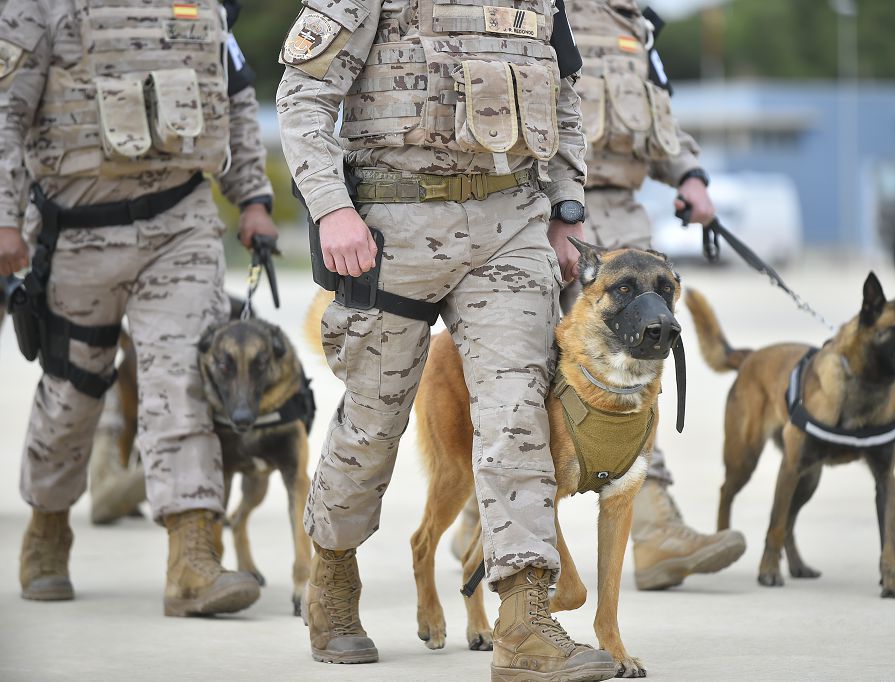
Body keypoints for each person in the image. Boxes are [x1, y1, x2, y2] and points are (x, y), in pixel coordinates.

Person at [277, 0, 617, 679]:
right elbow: (304, 95)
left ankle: (523, 618)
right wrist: (331, 207)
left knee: (517, 411)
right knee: (375, 419)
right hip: (391, 224)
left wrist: (568, 207)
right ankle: (334, 577)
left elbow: (567, 98)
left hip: (510, 221)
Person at [449, 0, 747, 592]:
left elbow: (660, 118)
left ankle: (656, 529)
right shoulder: (531, 9)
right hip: (543, 213)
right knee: (527, 373)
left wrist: (690, 176)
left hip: (623, 220)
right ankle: (482, 515)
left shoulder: (633, 23)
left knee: (639, 378)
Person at [0, 0, 279, 616]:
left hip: (179, 223)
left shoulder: (206, 6)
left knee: (182, 382)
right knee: (74, 388)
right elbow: (6, 111)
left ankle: (192, 556)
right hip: (73, 230)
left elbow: (233, 99)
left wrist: (253, 199)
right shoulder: (40, 6)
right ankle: (48, 524)